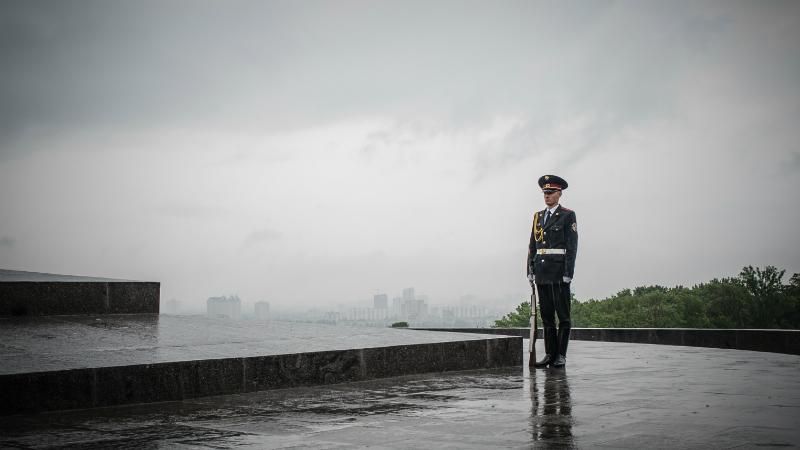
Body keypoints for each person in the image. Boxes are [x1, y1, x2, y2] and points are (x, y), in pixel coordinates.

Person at [527, 174, 578, 368]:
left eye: (550, 193)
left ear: (559, 193)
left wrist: (568, 272)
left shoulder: (567, 215)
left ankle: (561, 355)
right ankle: (550, 354)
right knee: (547, 316)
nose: (546, 196)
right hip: (541, 271)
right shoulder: (537, 217)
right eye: (544, 193)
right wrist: (530, 269)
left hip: (558, 271)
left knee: (563, 316)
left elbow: (572, 247)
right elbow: (532, 245)